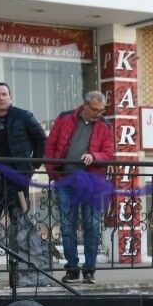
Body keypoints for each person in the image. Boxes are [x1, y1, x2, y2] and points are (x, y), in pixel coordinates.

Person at [0, 82, 46, 271]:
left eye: (4, 94)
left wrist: (33, 165)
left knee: (18, 223)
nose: (1, 98)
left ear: (10, 97)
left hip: (17, 179)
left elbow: (40, 139)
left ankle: (18, 268)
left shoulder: (24, 116)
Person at [45, 90, 116, 283]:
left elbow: (109, 153)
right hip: (65, 180)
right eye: (95, 109)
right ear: (84, 105)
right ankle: (72, 269)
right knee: (67, 226)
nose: (98, 114)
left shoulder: (105, 125)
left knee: (92, 226)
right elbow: (50, 145)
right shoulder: (64, 118)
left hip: (91, 184)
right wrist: (52, 172)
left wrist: (94, 156)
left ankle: (90, 269)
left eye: (101, 110)